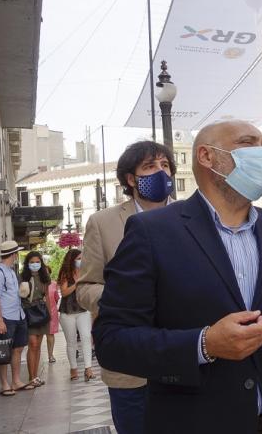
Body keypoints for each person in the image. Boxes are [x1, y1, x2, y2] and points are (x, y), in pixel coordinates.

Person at [93, 121, 262, 434]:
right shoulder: (152, 232)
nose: (261, 154)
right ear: (206, 156)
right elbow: (111, 341)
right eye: (248, 143)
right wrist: (204, 344)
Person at [76, 140, 176, 434]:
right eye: (150, 166)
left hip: (189, 362)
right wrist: (124, 298)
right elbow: (85, 288)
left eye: (165, 165)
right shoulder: (103, 222)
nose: (160, 172)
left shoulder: (194, 215)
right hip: (132, 369)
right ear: (131, 179)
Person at [0, 240, 32, 396]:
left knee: (18, 348)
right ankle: (5, 384)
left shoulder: (11, 271)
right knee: (3, 351)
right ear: (13, 254)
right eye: (16, 253)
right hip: (5, 317)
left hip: (18, 314)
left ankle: (16, 381)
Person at [58, 249, 95, 382]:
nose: (81, 260)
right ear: (72, 259)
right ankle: (73, 368)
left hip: (83, 309)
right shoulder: (65, 273)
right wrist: (77, 283)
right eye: (78, 258)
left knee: (86, 337)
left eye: (82, 258)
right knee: (71, 341)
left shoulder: (86, 271)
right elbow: (64, 292)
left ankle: (88, 368)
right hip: (68, 311)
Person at [20, 251, 52, 387]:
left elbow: (48, 297)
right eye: (32, 262)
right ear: (27, 263)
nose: (35, 264)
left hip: (42, 312)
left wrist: (50, 315)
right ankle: (31, 377)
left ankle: (35, 375)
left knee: (38, 345)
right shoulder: (22, 277)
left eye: (37, 262)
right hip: (29, 312)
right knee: (32, 343)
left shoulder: (45, 276)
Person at [45, 276, 60, 363]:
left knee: (50, 335)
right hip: (38, 313)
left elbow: (56, 298)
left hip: (51, 312)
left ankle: (50, 355)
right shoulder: (37, 283)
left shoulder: (54, 284)